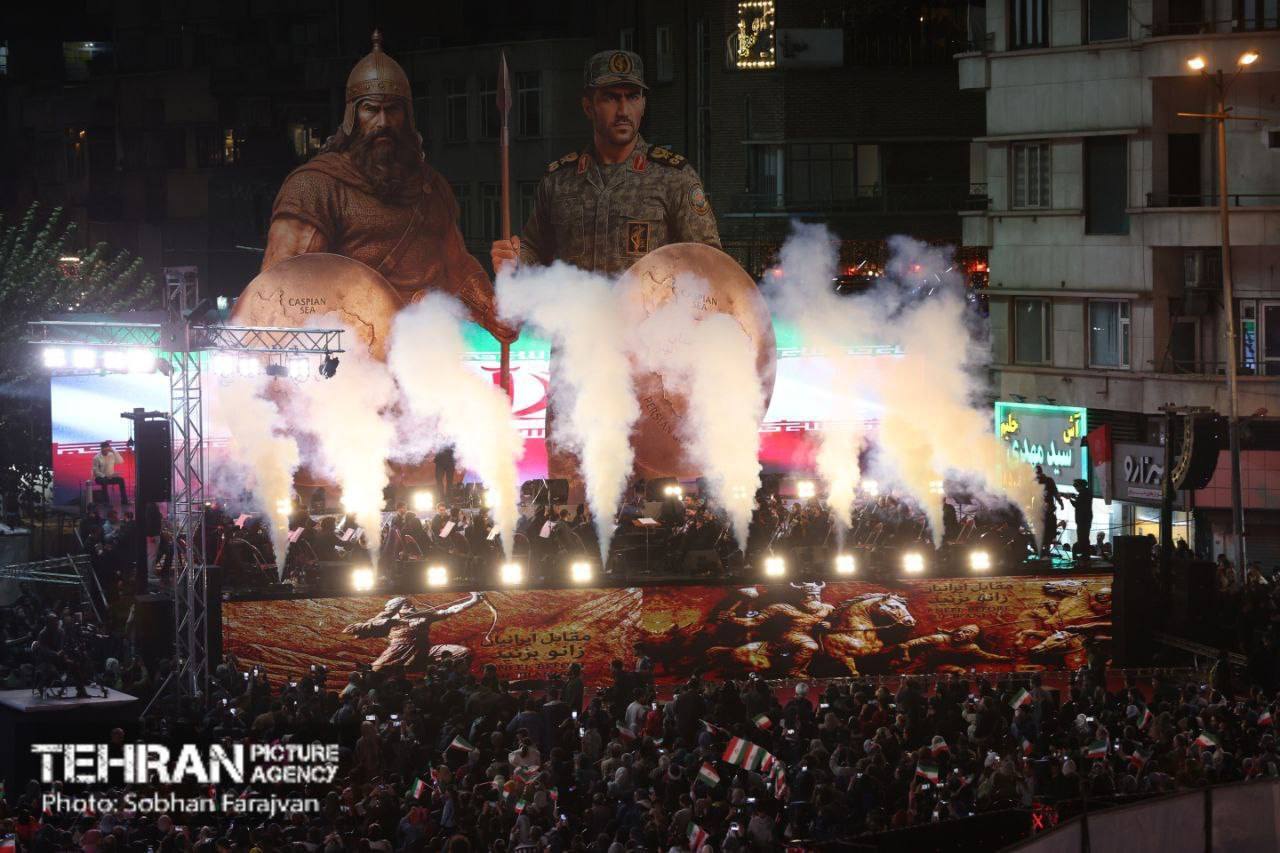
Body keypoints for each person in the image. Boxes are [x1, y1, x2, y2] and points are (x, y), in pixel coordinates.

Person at [491, 49, 721, 486]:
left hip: (649, 372)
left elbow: (706, 264)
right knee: (570, 489)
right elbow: (537, 250)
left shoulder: (673, 179)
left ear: (643, 103)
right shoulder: (558, 181)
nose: (622, 109)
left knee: (654, 494)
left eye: (631, 97)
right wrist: (513, 263)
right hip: (575, 362)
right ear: (587, 105)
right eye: (610, 98)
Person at [262, 31, 514, 344]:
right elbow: (282, 293)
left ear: (407, 116)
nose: (383, 122)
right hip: (350, 364)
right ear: (352, 116)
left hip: (423, 358)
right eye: (371, 109)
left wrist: (491, 310)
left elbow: (456, 266)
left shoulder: (431, 188)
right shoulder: (316, 187)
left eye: (393, 109)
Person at [1066, 479, 1093, 564]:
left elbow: (1077, 505)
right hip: (1086, 519)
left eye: (1076, 486)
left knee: (1082, 537)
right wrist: (1075, 497)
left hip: (1082, 520)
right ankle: (1085, 555)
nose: (1076, 489)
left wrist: (1070, 499)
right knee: (1085, 537)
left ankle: (1085, 555)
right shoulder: (1086, 492)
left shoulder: (1083, 494)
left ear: (1079, 486)